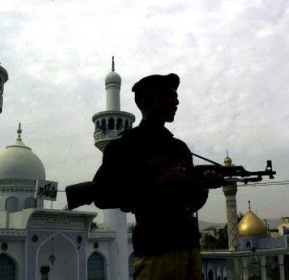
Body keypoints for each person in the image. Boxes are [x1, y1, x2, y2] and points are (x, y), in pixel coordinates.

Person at [92, 73, 221, 280]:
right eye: (170, 95)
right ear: (148, 100)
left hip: (189, 248)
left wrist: (205, 184)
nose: (177, 100)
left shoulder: (178, 148)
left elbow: (192, 203)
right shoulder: (124, 147)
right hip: (156, 252)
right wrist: (157, 182)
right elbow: (102, 196)